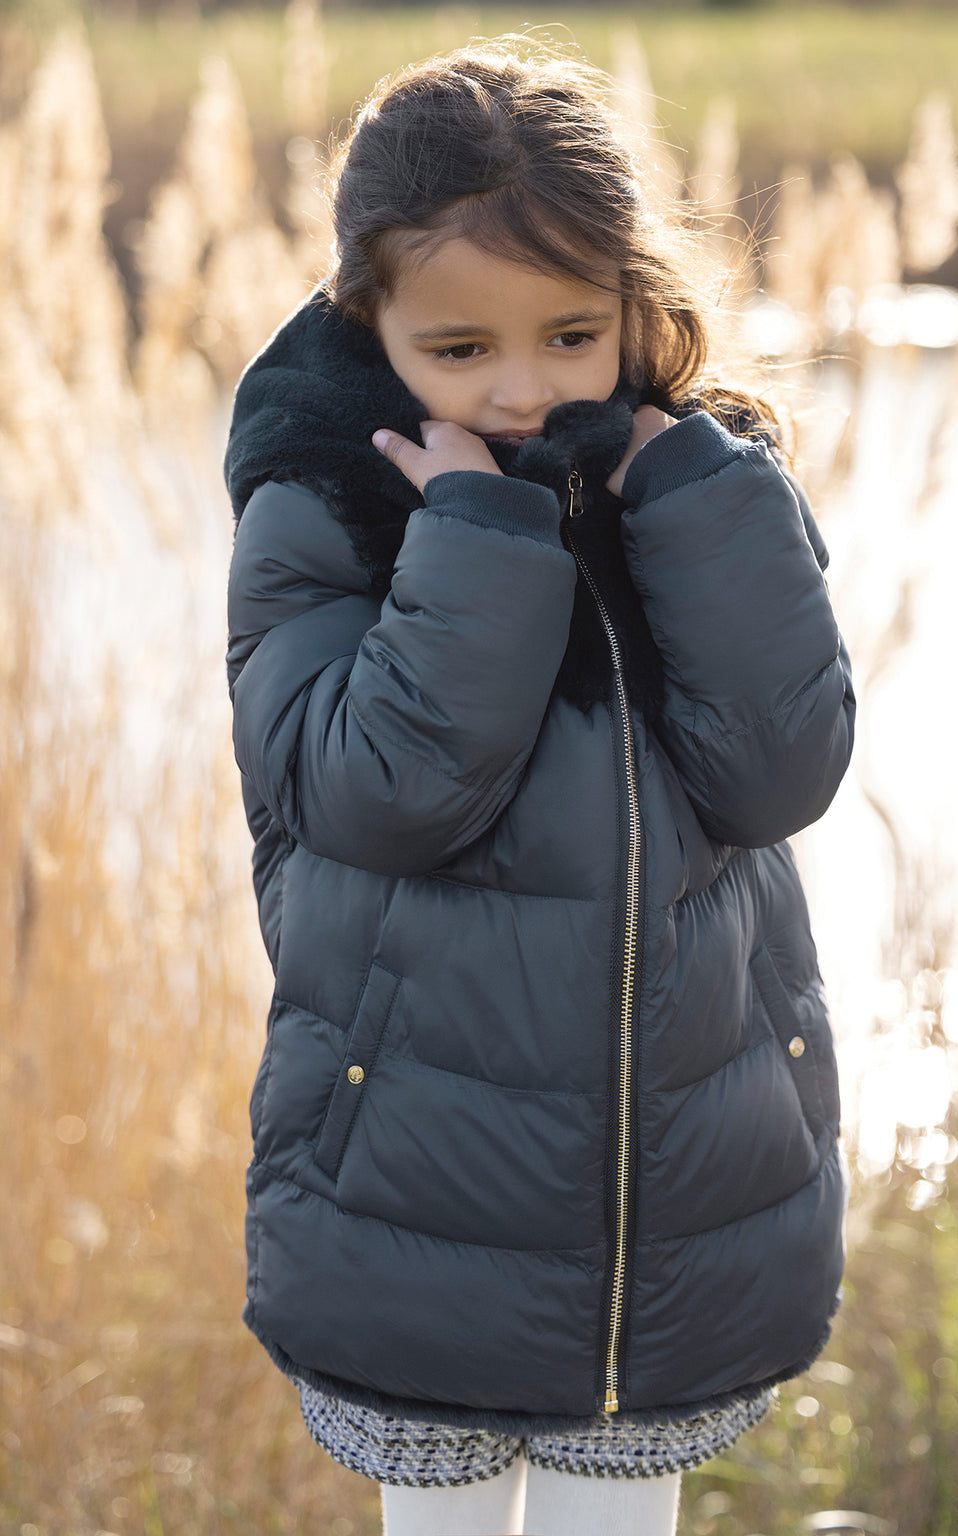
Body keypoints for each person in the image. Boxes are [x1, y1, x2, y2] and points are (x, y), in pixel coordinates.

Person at [223, 36, 855, 1536]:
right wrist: (484, 544)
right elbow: (379, 795)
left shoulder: (705, 480)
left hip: (683, 1196)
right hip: (419, 1195)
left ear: (639, 302)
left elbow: (779, 772)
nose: (524, 389)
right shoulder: (327, 502)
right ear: (364, 315)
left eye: (574, 336)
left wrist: (701, 505)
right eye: (462, 350)